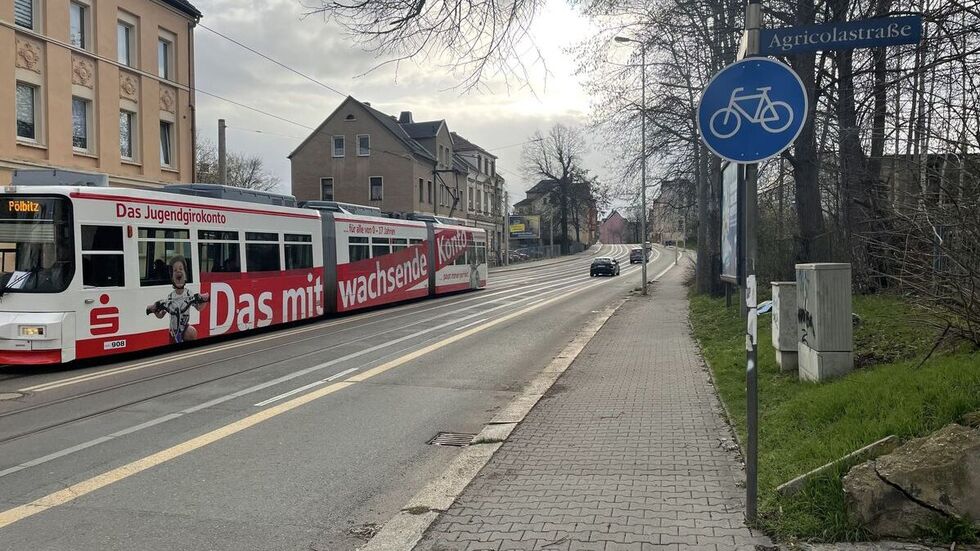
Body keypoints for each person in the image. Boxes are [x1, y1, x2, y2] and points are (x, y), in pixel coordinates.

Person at [146, 256, 209, 343]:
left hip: (184, 327)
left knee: (192, 333)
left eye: (181, 269)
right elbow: (161, 315)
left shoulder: (188, 294)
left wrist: (205, 300)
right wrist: (155, 311)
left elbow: (199, 308)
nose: (178, 271)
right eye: (175, 270)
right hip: (173, 331)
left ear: (185, 275)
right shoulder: (170, 297)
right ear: (172, 278)